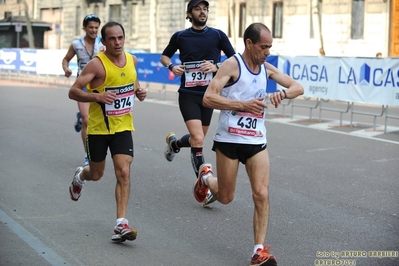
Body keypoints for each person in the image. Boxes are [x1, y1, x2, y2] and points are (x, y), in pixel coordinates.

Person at [194, 23, 304, 265]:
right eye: (264, 47)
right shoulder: (232, 65)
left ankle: (258, 250)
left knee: (261, 194)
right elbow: (208, 98)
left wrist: (283, 94)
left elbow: (298, 87)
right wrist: (242, 105)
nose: (267, 51)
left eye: (270, 47)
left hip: (256, 140)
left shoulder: (267, 68)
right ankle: (205, 178)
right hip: (229, 140)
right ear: (249, 43)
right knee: (225, 197)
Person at [68, 21, 147, 243]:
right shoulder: (96, 65)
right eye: (112, 38)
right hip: (98, 129)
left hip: (122, 127)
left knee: (123, 172)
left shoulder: (132, 60)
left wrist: (138, 91)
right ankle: (80, 175)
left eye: (120, 37)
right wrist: (97, 96)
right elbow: (73, 91)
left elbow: (132, 81)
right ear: (104, 41)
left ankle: (120, 224)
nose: (117, 42)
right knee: (96, 174)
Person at [160, 0, 235, 206]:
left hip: (209, 95)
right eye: (197, 9)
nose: (202, 12)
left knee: (197, 139)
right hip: (188, 94)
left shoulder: (218, 35)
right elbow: (165, 56)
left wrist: (216, 65)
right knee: (199, 138)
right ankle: (204, 185)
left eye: (205, 9)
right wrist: (172, 66)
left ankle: (174, 143)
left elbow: (234, 58)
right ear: (189, 14)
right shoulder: (180, 36)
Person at [62, 14, 105, 166]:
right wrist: (66, 69)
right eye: (91, 27)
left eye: (96, 27)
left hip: (100, 86)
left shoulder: (104, 42)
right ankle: (89, 155)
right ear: (84, 28)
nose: (94, 30)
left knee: (100, 120)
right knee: (87, 120)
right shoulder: (76, 44)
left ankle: (82, 116)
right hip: (84, 85)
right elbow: (66, 59)